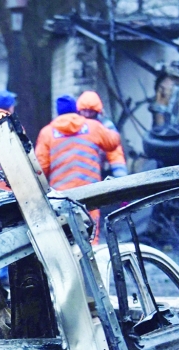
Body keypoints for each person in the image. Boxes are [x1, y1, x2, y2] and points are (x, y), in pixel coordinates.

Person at [35, 95, 121, 242]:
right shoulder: (93, 127)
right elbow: (113, 142)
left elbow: (41, 168)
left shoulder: (47, 133)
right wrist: (106, 122)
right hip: (91, 191)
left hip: (62, 195)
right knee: (91, 233)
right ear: (76, 109)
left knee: (67, 235)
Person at [76, 91, 128, 177]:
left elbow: (115, 152)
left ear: (97, 111)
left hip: (99, 168)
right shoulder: (74, 126)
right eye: (84, 111)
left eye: (91, 111)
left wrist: (120, 176)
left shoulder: (106, 126)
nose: (87, 114)